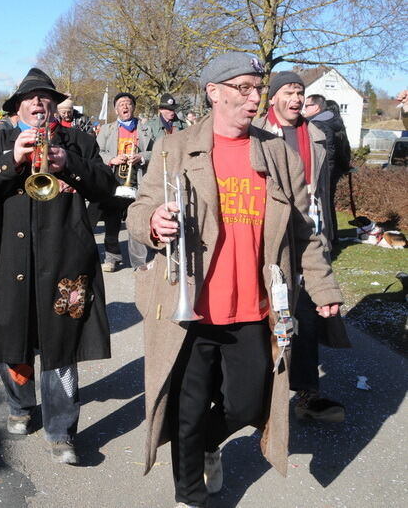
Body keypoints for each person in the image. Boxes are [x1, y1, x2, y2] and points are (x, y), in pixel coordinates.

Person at [126, 52, 343, 507]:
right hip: (191, 303)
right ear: (214, 92)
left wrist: (323, 287)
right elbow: (138, 209)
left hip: (252, 305)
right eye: (243, 88)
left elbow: (304, 231)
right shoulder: (175, 147)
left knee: (248, 404)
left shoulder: (278, 153)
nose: (254, 98)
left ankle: (207, 444)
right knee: (187, 408)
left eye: (257, 89)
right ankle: (189, 495)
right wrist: (152, 221)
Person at [0, 68, 114, 465]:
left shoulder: (80, 141)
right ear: (17, 108)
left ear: (54, 106)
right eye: (30, 99)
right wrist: (12, 159)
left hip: (65, 259)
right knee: (11, 334)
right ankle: (19, 404)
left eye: (45, 98)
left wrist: (70, 164)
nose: (38, 103)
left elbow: (106, 186)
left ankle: (62, 429)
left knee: (62, 342)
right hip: (9, 259)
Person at [254, 72, 350, 424]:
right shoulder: (258, 132)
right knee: (268, 314)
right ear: (274, 97)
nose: (296, 98)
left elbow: (325, 187)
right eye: (289, 92)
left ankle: (307, 394)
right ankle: (262, 393)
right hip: (270, 236)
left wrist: (327, 231)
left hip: (310, 235)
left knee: (307, 315)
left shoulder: (317, 136)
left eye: (300, 93)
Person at [91, 93, 148, 272]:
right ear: (116, 109)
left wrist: (142, 157)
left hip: (137, 182)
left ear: (133, 107)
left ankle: (139, 262)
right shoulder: (107, 129)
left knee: (136, 222)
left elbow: (157, 151)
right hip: (114, 182)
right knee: (112, 222)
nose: (125, 107)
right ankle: (112, 258)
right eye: (121, 104)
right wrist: (112, 159)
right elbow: (96, 153)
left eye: (128, 104)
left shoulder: (145, 129)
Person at [303, 95, 351, 242]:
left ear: (316, 107)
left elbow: (327, 153)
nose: (304, 109)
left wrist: (324, 175)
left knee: (323, 205)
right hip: (335, 169)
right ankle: (332, 236)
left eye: (307, 106)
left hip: (326, 172)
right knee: (328, 204)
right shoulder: (333, 121)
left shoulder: (319, 124)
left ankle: (326, 237)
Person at [139, 93, 187, 166]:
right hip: (158, 167)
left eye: (173, 109)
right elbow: (146, 151)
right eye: (169, 109)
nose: (172, 112)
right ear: (160, 110)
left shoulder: (184, 126)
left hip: (180, 166)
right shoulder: (149, 126)